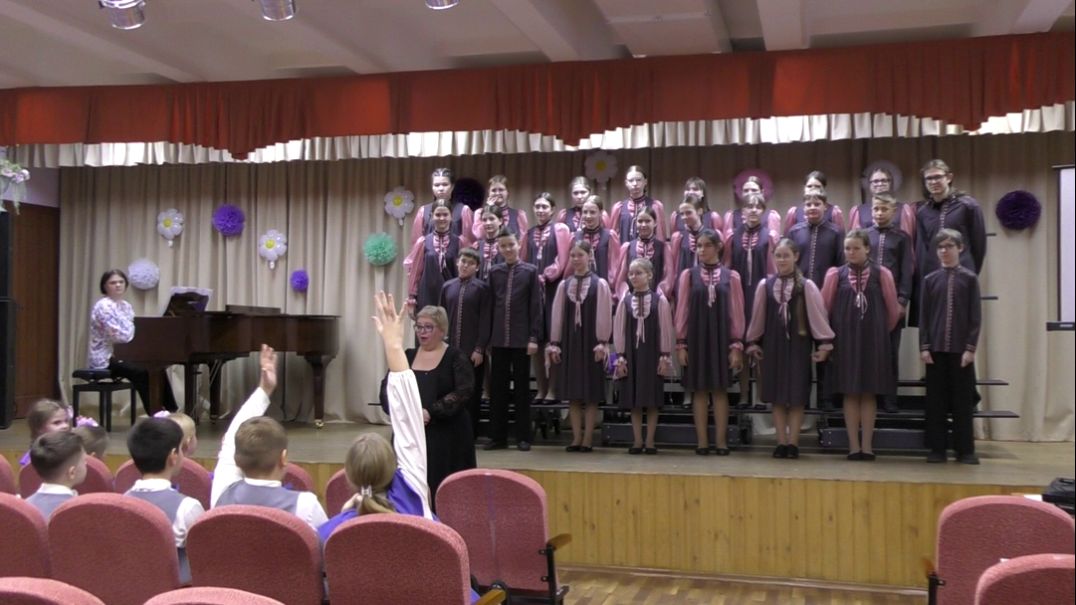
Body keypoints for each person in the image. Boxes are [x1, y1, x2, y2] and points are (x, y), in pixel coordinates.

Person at [317, 292, 436, 534]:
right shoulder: (412, 497)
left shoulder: (329, 533)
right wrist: (394, 346)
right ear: (394, 468)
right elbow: (409, 426)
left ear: (349, 477)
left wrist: (343, 513)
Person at [211, 345, 328, 531]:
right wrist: (265, 389)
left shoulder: (222, 493)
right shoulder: (306, 506)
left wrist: (264, 390)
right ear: (283, 458)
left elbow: (231, 440)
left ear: (236, 459)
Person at [745, 239, 834, 459]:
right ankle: (780, 442)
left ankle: (793, 442)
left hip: (798, 346)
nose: (782, 260)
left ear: (796, 256)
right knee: (777, 396)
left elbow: (818, 316)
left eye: (786, 255)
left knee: (796, 395)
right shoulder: (765, 285)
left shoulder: (806, 286)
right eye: (778, 255)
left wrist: (824, 343)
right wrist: (754, 341)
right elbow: (758, 317)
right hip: (773, 346)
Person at [379, 305, 475, 503]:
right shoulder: (407, 356)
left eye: (428, 327)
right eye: (419, 326)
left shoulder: (456, 357)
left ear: (442, 330)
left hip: (447, 438)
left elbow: (463, 391)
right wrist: (406, 413)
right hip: (411, 434)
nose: (422, 332)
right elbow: (388, 388)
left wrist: (430, 412)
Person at [821, 230, 901, 461]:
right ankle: (853, 446)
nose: (851, 252)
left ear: (867, 248)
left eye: (856, 248)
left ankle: (867, 446)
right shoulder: (835, 275)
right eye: (847, 248)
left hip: (873, 340)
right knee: (850, 392)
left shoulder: (882, 274)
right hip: (845, 341)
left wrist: (877, 330)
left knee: (868, 393)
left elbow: (893, 311)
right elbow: (824, 308)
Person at [674, 230, 745, 455]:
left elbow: (736, 312)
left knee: (720, 390)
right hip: (696, 338)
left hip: (721, 338)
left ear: (718, 247)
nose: (701, 250)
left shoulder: (731, 277)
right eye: (699, 246)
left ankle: (721, 442)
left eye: (706, 245)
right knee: (700, 391)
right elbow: (682, 310)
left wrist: (736, 345)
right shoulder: (688, 275)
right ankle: (702, 442)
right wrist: (681, 343)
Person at [920, 229, 982, 465]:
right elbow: (924, 317)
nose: (944, 251)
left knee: (962, 402)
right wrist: (924, 347)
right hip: (935, 350)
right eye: (940, 247)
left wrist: (970, 348)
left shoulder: (970, 279)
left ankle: (965, 450)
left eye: (949, 246)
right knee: (935, 402)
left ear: (960, 248)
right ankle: (937, 449)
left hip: (960, 351)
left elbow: (975, 317)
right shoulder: (930, 280)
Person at [547, 240, 612, 452]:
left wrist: (602, 342)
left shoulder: (599, 284)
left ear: (589, 256)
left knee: (591, 394)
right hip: (570, 342)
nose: (576, 259)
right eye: (572, 255)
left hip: (591, 343)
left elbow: (604, 314)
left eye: (580, 255)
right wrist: (555, 343)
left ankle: (588, 438)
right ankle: (576, 438)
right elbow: (557, 316)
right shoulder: (564, 285)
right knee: (573, 393)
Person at [124, 417, 206, 583]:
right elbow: (203, 555)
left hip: (132, 584)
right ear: (173, 456)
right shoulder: (188, 507)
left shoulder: (122, 501)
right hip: (176, 589)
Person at [785, 193, 845, 409]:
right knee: (800, 351)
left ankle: (825, 401)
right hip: (798, 298)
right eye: (808, 204)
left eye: (816, 204)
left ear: (825, 206)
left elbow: (841, 265)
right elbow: (787, 261)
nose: (812, 207)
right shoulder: (795, 231)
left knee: (825, 349)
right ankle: (800, 400)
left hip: (825, 298)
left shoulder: (836, 232)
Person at [88, 269, 177, 415]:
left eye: (121, 282)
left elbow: (132, 331)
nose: (118, 285)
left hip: (124, 354)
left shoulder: (125, 306)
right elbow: (119, 336)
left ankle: (171, 410)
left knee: (157, 367)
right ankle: (155, 413)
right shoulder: (103, 306)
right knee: (142, 371)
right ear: (104, 286)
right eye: (113, 283)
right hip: (106, 357)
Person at [485, 229, 542, 452]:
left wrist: (533, 337)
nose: (507, 249)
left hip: (521, 340)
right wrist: (488, 339)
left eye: (511, 245)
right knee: (497, 390)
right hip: (498, 340)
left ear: (519, 245)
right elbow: (490, 306)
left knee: (521, 390)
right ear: (498, 248)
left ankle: (523, 437)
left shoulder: (530, 271)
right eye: (503, 246)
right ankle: (497, 437)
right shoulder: (494, 272)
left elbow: (535, 306)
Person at [613, 258, 675, 455]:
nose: (634, 277)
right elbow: (619, 331)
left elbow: (665, 329)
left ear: (649, 275)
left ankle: (650, 441)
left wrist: (665, 356)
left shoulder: (660, 301)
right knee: (634, 400)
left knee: (652, 399)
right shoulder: (625, 301)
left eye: (638, 273)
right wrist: (619, 357)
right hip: (631, 355)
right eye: (631, 274)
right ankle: (637, 440)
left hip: (652, 355)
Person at [724, 193, 779, 409]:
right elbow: (727, 267)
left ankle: (762, 397)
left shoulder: (769, 236)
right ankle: (744, 394)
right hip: (739, 298)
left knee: (760, 345)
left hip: (761, 297)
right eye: (749, 206)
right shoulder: (732, 236)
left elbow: (772, 271)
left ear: (763, 211)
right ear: (742, 211)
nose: (753, 210)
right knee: (741, 344)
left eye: (758, 207)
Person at [866, 193, 914, 413]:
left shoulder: (902, 238)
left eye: (884, 209)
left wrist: (902, 301)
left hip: (892, 304)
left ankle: (890, 398)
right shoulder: (865, 235)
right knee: (868, 352)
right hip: (867, 302)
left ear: (894, 212)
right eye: (876, 209)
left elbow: (907, 271)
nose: (879, 213)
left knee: (890, 352)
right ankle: (869, 397)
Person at [522, 192, 571, 405]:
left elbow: (563, 258)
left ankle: (553, 388)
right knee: (537, 340)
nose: (541, 210)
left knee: (553, 339)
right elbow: (524, 259)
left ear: (552, 210)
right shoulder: (528, 233)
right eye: (537, 206)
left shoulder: (560, 229)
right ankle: (541, 389)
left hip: (554, 289)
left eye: (545, 207)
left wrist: (547, 275)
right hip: (534, 290)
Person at [439, 248, 492, 438]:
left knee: (471, 392)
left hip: (473, 352)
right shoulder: (447, 287)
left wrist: (480, 348)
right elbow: (441, 317)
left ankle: (470, 433)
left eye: (470, 263)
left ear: (477, 267)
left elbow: (486, 320)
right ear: (457, 262)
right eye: (463, 261)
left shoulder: (482, 289)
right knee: (450, 391)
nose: (465, 266)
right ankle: (451, 432)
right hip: (451, 350)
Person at [404, 200, 461, 313]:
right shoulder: (423, 242)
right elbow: (415, 273)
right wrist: (411, 299)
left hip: (451, 296)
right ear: (431, 216)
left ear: (451, 216)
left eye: (445, 214)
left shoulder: (459, 242)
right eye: (438, 215)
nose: (441, 218)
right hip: (426, 294)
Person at [613, 207, 672, 301]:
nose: (643, 225)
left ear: (655, 223)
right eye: (640, 221)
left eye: (647, 221)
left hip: (656, 301)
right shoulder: (628, 247)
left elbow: (668, 277)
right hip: (632, 301)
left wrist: (659, 297)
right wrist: (627, 297)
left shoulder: (663, 248)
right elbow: (622, 278)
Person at [25, 431, 87, 520]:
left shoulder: (24, 507)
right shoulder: (80, 512)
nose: (86, 464)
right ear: (72, 472)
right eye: (84, 461)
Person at [848, 163, 915, 239]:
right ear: (869, 184)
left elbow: (908, 238)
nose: (880, 184)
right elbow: (854, 240)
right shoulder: (859, 211)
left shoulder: (903, 209)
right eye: (875, 181)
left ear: (891, 183)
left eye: (884, 180)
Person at [410, 167, 474, 247]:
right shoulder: (423, 211)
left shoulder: (464, 210)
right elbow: (417, 244)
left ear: (452, 186)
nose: (441, 188)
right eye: (436, 185)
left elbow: (469, 244)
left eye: (445, 184)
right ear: (432, 187)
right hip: (429, 254)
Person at [666, 195, 713, 301]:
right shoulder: (678, 237)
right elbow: (674, 268)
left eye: (688, 213)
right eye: (682, 214)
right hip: (684, 291)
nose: (684, 217)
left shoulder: (711, 236)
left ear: (699, 211)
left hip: (706, 289)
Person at [608, 166, 667, 241]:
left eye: (639, 180)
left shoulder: (655, 206)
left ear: (645, 182)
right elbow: (613, 240)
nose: (635, 183)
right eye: (631, 180)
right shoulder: (619, 208)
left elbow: (660, 238)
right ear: (626, 183)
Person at [573, 195, 620, 284]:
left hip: (604, 286)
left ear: (600, 213)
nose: (588, 216)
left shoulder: (609, 236)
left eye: (592, 212)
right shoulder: (575, 237)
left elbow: (615, 268)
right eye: (585, 212)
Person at [724, 172, 782, 242]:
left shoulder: (771, 216)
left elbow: (774, 243)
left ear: (762, 192)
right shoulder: (732, 216)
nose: (749, 193)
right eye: (746, 191)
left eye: (754, 190)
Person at [471, 175, 528, 241]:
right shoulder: (479, 213)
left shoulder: (519, 215)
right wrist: (489, 209)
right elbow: (479, 235)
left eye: (501, 190)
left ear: (507, 192)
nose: (497, 193)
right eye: (493, 190)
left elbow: (523, 241)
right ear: (489, 193)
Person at [20, 398, 71, 467]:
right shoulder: (34, 459)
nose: (65, 426)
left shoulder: (70, 449)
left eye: (66, 421)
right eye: (57, 423)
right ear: (39, 427)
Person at [474, 204, 506, 281]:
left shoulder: (506, 245)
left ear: (500, 221)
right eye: (484, 220)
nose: (488, 223)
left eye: (492, 219)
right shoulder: (478, 246)